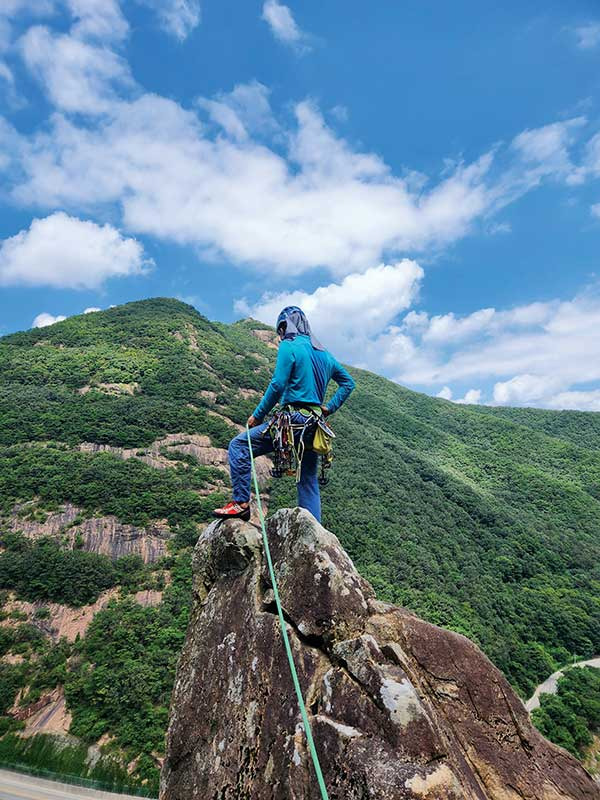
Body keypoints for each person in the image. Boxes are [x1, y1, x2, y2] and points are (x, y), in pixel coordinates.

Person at [213, 306, 355, 523]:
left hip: (292, 421)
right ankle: (314, 529)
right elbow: (348, 383)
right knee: (307, 479)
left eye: (281, 329)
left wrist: (258, 415)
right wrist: (329, 407)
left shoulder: (289, 346)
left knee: (239, 446)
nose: (280, 335)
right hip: (315, 426)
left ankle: (241, 504)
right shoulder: (325, 354)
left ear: (285, 325)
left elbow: (278, 384)